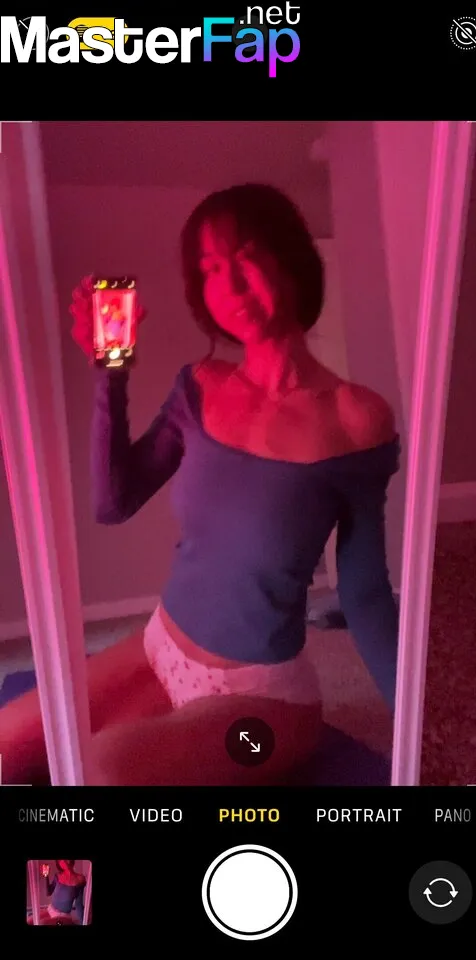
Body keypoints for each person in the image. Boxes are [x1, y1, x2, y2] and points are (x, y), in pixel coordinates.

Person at [0, 183, 400, 787]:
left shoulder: (355, 418)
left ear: (291, 258)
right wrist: (111, 371)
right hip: (160, 647)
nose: (229, 284)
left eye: (246, 257)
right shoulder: (200, 387)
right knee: (12, 744)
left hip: (263, 698)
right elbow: (113, 502)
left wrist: (417, 725)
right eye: (210, 269)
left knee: (104, 768)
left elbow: (365, 592)